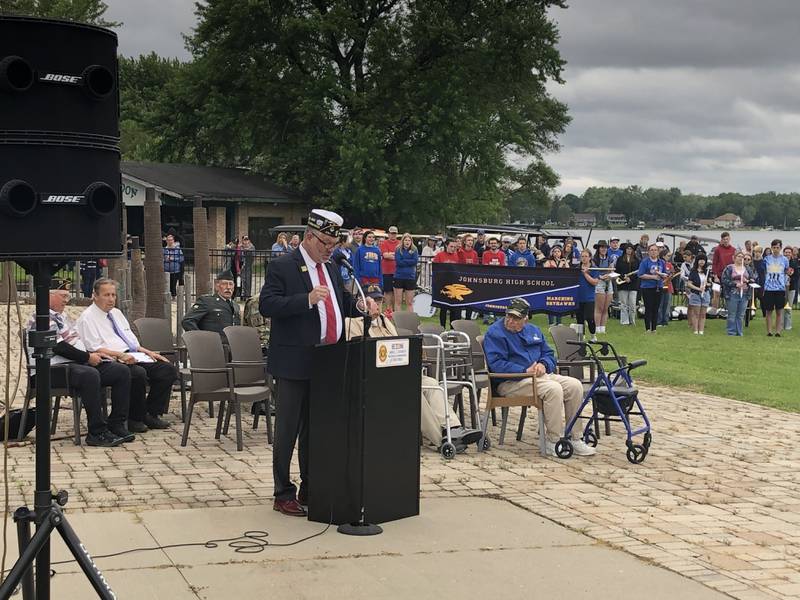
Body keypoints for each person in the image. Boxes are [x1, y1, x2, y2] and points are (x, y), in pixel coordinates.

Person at [259, 209, 379, 517]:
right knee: (288, 429)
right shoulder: (283, 265)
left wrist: (361, 306)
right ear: (310, 237)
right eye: (325, 243)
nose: (330, 249)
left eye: (334, 244)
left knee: (316, 429)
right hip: (294, 360)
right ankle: (282, 492)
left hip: (328, 360)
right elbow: (267, 305)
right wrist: (306, 300)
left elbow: (339, 305)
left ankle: (311, 486)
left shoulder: (333, 267)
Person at [483, 298, 595, 457]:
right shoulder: (495, 333)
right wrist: (523, 370)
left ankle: (575, 437)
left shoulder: (533, 330)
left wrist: (543, 364)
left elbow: (549, 354)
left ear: (525, 319)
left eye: (516, 318)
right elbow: (496, 364)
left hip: (540, 377)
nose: (511, 321)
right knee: (553, 389)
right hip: (510, 381)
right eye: (509, 316)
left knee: (574, 385)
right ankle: (553, 441)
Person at [30, 283, 133, 446]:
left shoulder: (62, 317)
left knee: (120, 371)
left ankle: (116, 423)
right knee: (89, 375)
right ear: (48, 296)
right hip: (50, 370)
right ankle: (96, 432)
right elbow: (58, 346)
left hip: (73, 365)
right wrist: (87, 357)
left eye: (68, 296)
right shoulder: (42, 317)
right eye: (63, 296)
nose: (66, 300)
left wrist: (95, 355)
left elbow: (77, 341)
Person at [76, 278, 178, 433]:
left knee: (166, 369)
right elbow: (94, 348)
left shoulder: (116, 313)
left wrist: (148, 352)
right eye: (106, 295)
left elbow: (131, 342)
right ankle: (133, 418)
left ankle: (150, 413)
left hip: (132, 354)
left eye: (113, 295)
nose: (111, 299)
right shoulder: (87, 318)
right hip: (110, 360)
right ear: (95, 296)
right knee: (137, 373)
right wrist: (120, 356)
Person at [181, 271, 241, 341]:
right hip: (213, 346)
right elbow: (187, 321)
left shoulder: (235, 306)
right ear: (217, 286)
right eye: (224, 284)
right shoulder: (207, 301)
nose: (228, 287)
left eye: (231, 284)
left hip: (232, 348)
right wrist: (201, 339)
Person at [637, 244, 668, 333]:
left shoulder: (661, 262)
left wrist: (663, 276)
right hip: (647, 287)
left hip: (658, 287)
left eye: (655, 250)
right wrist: (653, 277)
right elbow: (641, 274)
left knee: (656, 308)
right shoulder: (645, 262)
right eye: (651, 250)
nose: (653, 252)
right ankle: (647, 328)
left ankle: (654, 328)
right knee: (649, 307)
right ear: (648, 252)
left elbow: (664, 273)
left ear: (658, 252)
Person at [432, 238, 463, 328]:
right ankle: (442, 327)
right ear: (446, 246)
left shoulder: (457, 256)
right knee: (443, 308)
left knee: (454, 308)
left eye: (455, 247)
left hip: (454, 285)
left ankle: (453, 328)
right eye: (451, 246)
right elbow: (435, 268)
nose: (453, 248)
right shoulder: (440, 256)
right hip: (443, 285)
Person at [722, 251, 753, 336]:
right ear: (734, 258)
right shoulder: (729, 268)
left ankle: (739, 332)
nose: (740, 258)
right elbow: (724, 280)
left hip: (745, 294)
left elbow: (753, 278)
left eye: (742, 257)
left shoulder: (747, 269)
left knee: (740, 315)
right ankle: (731, 332)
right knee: (732, 314)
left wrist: (748, 281)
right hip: (733, 294)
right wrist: (735, 284)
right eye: (739, 256)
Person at [763, 239, 789, 337]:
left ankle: (778, 332)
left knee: (779, 311)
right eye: (774, 247)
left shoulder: (785, 260)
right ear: (771, 248)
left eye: (777, 247)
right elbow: (763, 270)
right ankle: (769, 331)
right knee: (768, 311)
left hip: (780, 289)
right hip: (769, 288)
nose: (776, 249)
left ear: (780, 248)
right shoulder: (767, 259)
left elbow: (786, 271)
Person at [591, 240, 614, 334]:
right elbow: (594, 272)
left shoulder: (609, 259)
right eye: (602, 247)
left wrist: (610, 275)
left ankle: (603, 328)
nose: (604, 249)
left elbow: (611, 269)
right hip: (599, 282)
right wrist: (601, 277)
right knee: (599, 307)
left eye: (605, 247)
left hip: (608, 282)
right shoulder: (594, 259)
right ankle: (597, 327)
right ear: (598, 249)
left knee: (605, 307)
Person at [542, 246, 569, 326]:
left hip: (561, 285)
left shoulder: (564, 262)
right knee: (551, 303)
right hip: (551, 285)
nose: (557, 253)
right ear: (552, 253)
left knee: (559, 303)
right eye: (555, 251)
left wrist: (565, 263)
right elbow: (545, 273)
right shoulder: (548, 262)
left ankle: (559, 322)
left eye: (558, 251)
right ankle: (551, 322)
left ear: (561, 253)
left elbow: (569, 271)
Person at [576, 249, 599, 341]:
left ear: (590, 257)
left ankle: (593, 335)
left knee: (590, 318)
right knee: (580, 319)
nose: (584, 258)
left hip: (589, 298)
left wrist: (585, 273)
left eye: (586, 256)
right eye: (582, 256)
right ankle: (581, 338)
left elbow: (594, 282)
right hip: (579, 297)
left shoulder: (594, 268)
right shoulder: (577, 268)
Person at [393, 233, 419, 312]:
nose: (407, 242)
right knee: (398, 301)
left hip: (410, 277)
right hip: (399, 277)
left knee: (409, 302)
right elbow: (398, 262)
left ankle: (409, 321)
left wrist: (404, 260)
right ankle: (397, 321)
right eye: (406, 240)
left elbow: (415, 261)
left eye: (409, 240)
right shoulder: (398, 249)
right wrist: (409, 261)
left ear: (411, 241)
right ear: (403, 241)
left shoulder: (414, 250)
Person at [686, 254, 710, 335]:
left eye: (703, 260)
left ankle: (701, 330)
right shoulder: (693, 271)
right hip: (696, 294)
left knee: (703, 314)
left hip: (705, 294)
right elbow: (689, 284)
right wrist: (698, 289)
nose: (702, 261)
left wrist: (708, 284)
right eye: (700, 260)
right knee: (696, 313)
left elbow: (710, 283)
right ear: (697, 261)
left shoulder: (707, 271)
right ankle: (695, 330)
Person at [615, 243, 639, 327]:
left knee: (632, 304)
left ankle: (632, 321)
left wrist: (630, 278)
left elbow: (637, 272)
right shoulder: (620, 259)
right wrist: (623, 277)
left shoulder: (636, 260)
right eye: (628, 249)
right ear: (625, 250)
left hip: (633, 284)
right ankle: (624, 321)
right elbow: (617, 271)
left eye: (631, 249)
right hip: (622, 284)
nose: (629, 250)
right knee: (623, 304)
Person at [711, 232, 735, 309]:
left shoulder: (733, 250)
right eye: (724, 239)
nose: (725, 241)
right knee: (716, 294)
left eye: (727, 239)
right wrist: (715, 276)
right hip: (718, 275)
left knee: (729, 294)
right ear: (721, 240)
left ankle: (728, 310)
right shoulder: (717, 249)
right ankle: (714, 310)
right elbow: (714, 263)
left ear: (730, 239)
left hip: (729, 276)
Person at [380, 225, 400, 308]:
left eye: (395, 233)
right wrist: (395, 255)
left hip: (398, 271)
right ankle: (388, 309)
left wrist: (390, 254)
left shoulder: (400, 243)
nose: (393, 235)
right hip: (387, 271)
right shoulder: (384, 243)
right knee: (388, 291)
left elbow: (401, 256)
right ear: (388, 234)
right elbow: (385, 255)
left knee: (396, 292)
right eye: (392, 233)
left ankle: (395, 310)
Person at [163, 233, 185, 298]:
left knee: (173, 284)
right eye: (168, 240)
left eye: (171, 240)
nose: (170, 241)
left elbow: (181, 258)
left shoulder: (177, 249)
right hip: (166, 270)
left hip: (175, 269)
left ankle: (173, 296)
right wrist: (165, 259)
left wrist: (173, 259)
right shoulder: (164, 249)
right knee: (167, 283)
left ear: (173, 240)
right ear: (166, 241)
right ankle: (168, 296)